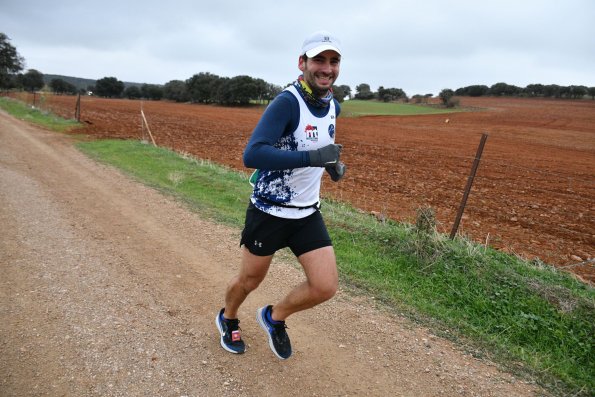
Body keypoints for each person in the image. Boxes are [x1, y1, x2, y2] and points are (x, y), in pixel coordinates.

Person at [215, 31, 346, 360]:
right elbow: (253, 154)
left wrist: (330, 165)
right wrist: (312, 159)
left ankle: (274, 317)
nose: (326, 68)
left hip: (306, 212)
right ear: (302, 63)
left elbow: (318, 148)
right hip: (269, 211)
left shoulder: (333, 105)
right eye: (319, 60)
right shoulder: (287, 103)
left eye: (333, 61)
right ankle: (228, 317)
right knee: (249, 281)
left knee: (325, 286)